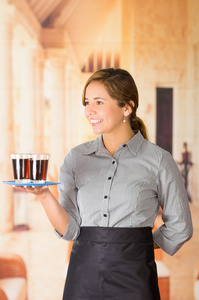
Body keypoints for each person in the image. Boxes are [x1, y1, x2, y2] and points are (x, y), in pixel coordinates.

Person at [15, 68, 193, 300]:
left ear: (127, 108)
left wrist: (138, 243)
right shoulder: (76, 158)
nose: (90, 110)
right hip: (83, 277)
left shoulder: (159, 160)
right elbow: (70, 231)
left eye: (99, 102)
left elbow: (180, 227)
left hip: (135, 278)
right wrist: (43, 195)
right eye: (87, 102)